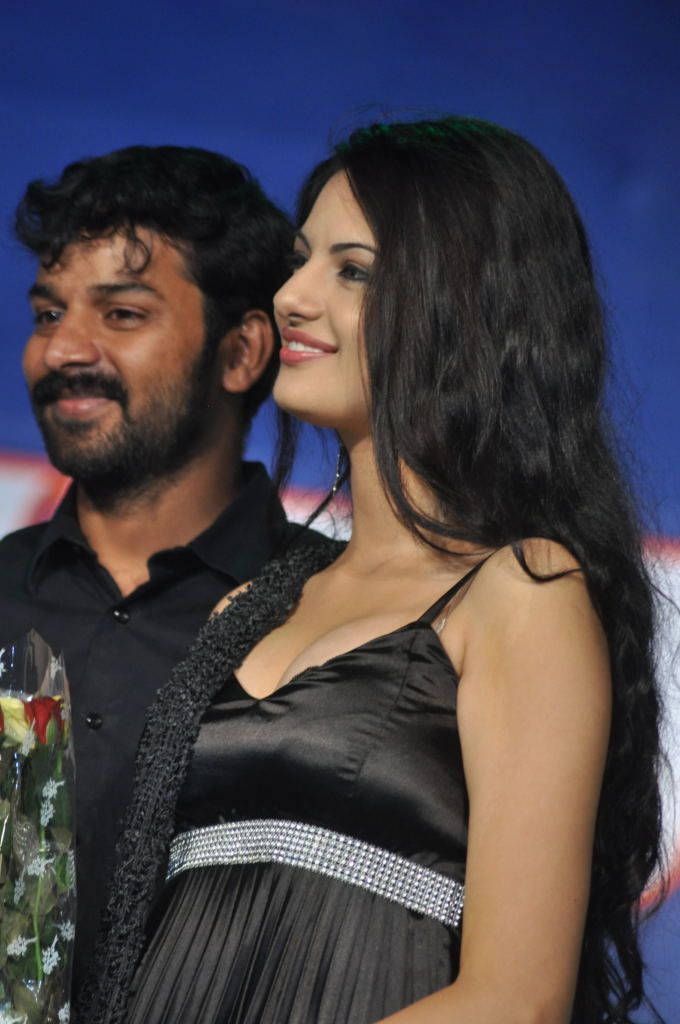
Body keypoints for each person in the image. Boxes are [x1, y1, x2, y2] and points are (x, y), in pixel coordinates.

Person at [80, 119, 664, 1024]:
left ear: (463, 309)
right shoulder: (251, 606)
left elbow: (517, 999)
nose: (291, 296)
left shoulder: (523, 591)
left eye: (352, 271)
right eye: (300, 261)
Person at [0, 144, 314, 996]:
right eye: (47, 313)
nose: (64, 349)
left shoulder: (330, 622)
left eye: (122, 314)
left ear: (243, 352)